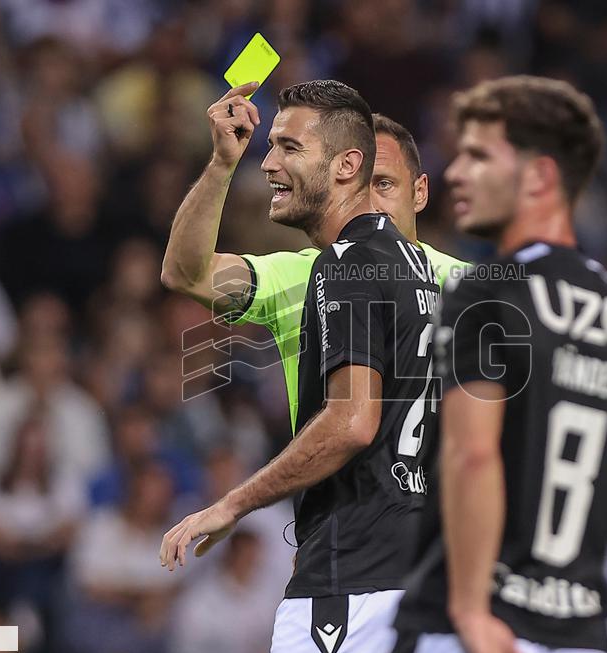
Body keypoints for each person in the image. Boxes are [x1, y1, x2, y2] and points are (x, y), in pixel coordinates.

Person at [386, 75, 607, 653]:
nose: (455, 173)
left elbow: (473, 456)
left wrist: (471, 610)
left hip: (475, 631)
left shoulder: (488, 292)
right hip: (579, 641)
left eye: (478, 155)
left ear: (540, 176)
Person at [160, 80, 443, 653]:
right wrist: (220, 163)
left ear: (347, 167)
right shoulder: (432, 278)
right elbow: (185, 273)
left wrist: (232, 504)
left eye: (289, 148)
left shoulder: (342, 266)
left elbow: (352, 422)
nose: (269, 164)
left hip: (354, 579)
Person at [160, 83, 464, 432]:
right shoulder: (298, 275)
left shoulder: (465, 285)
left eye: (382, 184)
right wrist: (221, 164)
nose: (368, 200)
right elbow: (186, 273)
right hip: (327, 485)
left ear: (420, 193)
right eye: (358, 187)